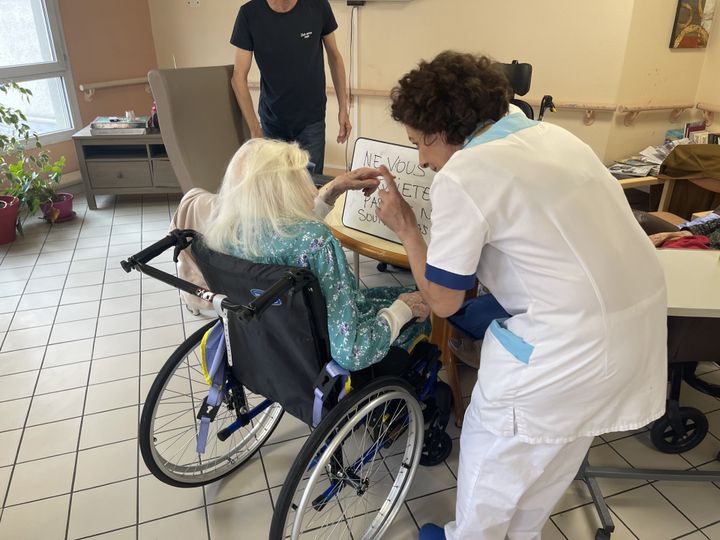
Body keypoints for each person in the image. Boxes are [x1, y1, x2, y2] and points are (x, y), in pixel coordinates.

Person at [375, 51, 668, 539]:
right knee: (554, 455)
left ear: (444, 127)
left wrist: (406, 225)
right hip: (632, 330)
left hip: (564, 350)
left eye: (419, 143)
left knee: (494, 464)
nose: (421, 160)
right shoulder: (549, 134)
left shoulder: (466, 174)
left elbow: (445, 301)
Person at [202, 138, 430, 371]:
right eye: (302, 178)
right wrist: (402, 310)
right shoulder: (317, 242)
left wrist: (332, 189)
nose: (311, 187)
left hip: (272, 343)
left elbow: (287, 235)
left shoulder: (227, 234)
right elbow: (351, 351)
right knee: (420, 302)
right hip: (328, 351)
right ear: (285, 190)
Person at [230, 0, 351, 175]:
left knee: (311, 190)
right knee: (276, 190)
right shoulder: (249, 14)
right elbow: (238, 77)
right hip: (272, 122)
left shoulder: (318, 6)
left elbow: (335, 58)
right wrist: (255, 128)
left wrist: (343, 109)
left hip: (312, 121)